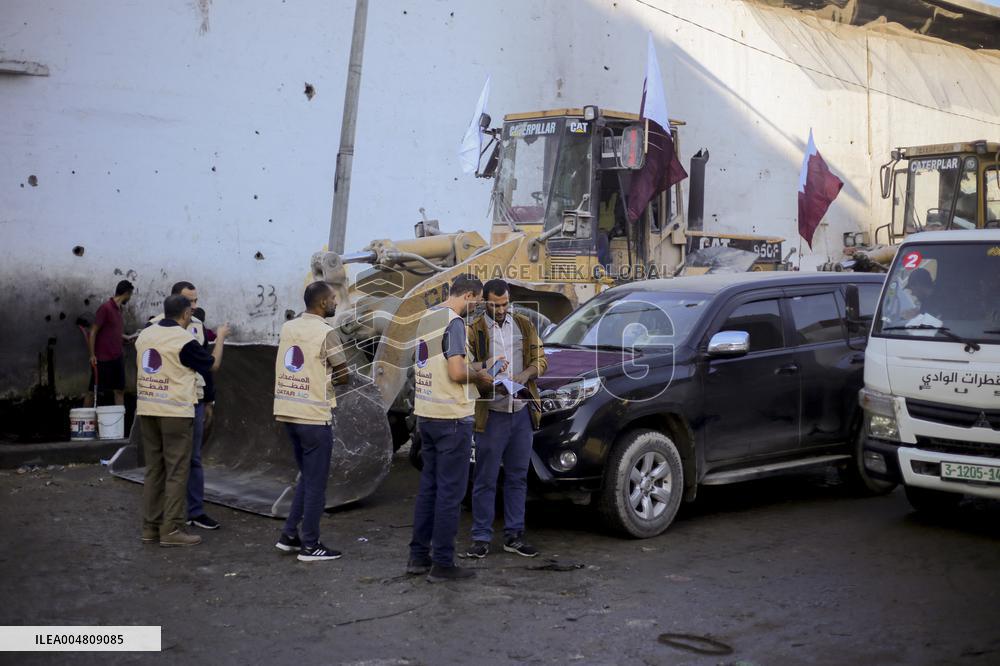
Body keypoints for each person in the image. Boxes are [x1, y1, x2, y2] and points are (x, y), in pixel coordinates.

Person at [407, 275, 500, 582]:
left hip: (427, 415)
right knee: (450, 494)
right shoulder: (455, 323)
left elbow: (438, 363)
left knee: (429, 489)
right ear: (471, 296)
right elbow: (457, 372)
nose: (477, 307)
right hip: (452, 420)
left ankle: (418, 557)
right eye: (478, 301)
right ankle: (443, 564)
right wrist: (482, 377)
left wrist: (477, 366)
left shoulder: (427, 317)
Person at [135, 294, 229, 547]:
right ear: (186, 314)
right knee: (177, 471)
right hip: (175, 411)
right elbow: (212, 365)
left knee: (154, 469)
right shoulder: (184, 340)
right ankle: (172, 528)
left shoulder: (146, 335)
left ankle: (149, 528)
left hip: (147, 408)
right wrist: (219, 339)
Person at [465, 279, 547, 559]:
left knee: (517, 477)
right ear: (485, 302)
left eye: (504, 304)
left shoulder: (524, 324)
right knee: (485, 479)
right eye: (494, 305)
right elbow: (465, 369)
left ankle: (514, 535)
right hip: (491, 415)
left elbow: (541, 359)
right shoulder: (473, 329)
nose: (500, 310)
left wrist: (525, 375)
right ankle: (481, 537)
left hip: (521, 411)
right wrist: (488, 380)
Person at [273, 281, 349, 562]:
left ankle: (290, 535)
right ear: (321, 303)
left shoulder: (289, 327)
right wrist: (331, 379)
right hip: (314, 417)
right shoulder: (326, 333)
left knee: (307, 476)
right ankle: (311, 545)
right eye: (332, 299)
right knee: (317, 484)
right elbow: (343, 375)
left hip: (288, 411)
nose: (335, 303)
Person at [149, 281, 221, 530]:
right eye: (190, 301)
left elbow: (205, 369)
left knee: (193, 458)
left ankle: (193, 511)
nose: (194, 307)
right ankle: (167, 520)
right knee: (166, 463)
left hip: (194, 399)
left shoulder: (198, 327)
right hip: (167, 403)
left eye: (196, 301)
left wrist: (209, 399)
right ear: (177, 303)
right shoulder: (154, 327)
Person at [84, 280, 134, 407]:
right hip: (102, 359)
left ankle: (119, 423)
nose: (130, 298)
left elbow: (111, 331)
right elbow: (93, 332)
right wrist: (92, 355)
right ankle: (84, 424)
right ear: (127, 293)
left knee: (119, 390)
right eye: (130, 295)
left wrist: (126, 337)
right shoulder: (105, 308)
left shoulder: (119, 310)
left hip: (117, 357)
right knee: (92, 391)